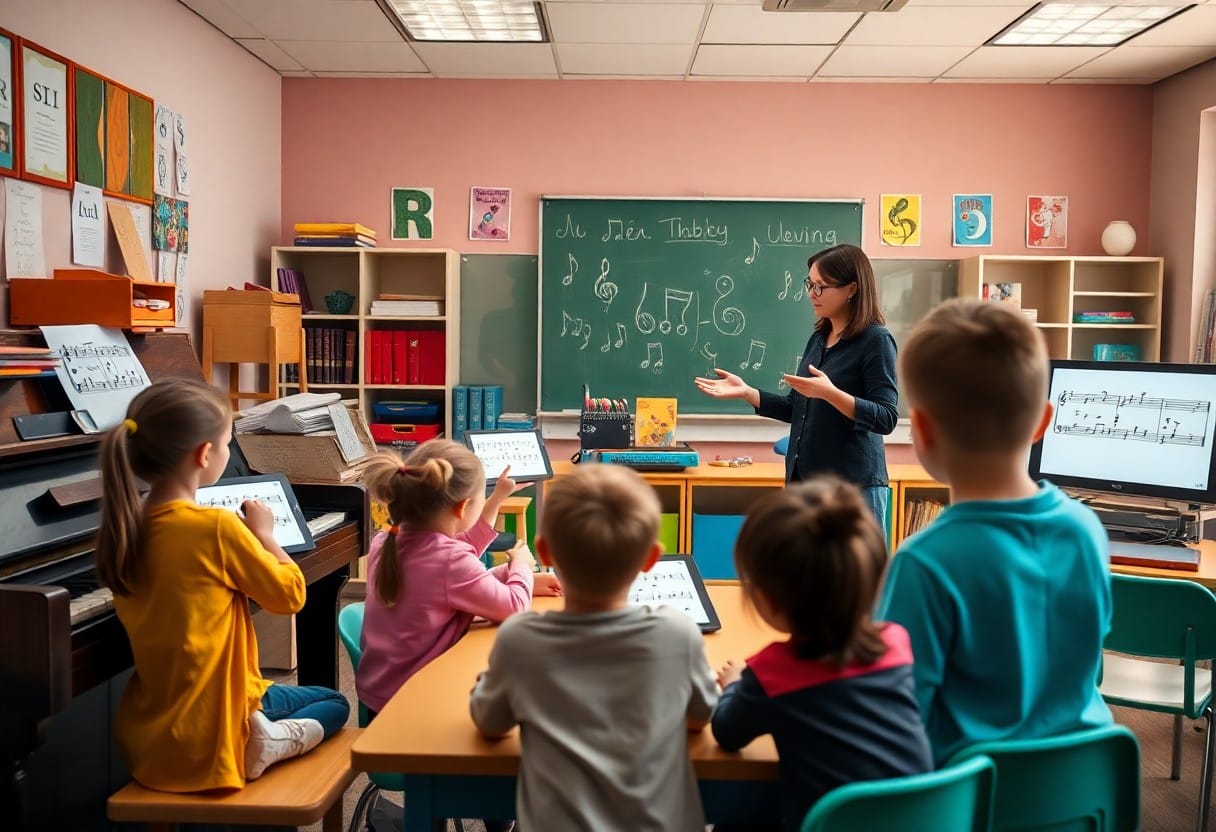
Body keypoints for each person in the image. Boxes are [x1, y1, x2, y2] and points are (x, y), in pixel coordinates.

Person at [876, 299, 1112, 766]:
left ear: (920, 431)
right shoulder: (1087, 531)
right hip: (1080, 795)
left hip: (969, 801)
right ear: (1044, 422)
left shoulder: (924, 562)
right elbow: (1086, 668)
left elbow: (897, 720)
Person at [96, 378, 349, 792]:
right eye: (228, 443)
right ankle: (266, 741)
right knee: (335, 703)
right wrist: (265, 536)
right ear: (205, 454)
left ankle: (263, 731)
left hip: (149, 743)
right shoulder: (214, 527)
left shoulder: (124, 527)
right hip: (215, 733)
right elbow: (290, 595)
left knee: (273, 693)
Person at [470, 464, 718, 832]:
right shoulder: (676, 633)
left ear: (545, 553)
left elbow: (490, 724)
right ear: (651, 558)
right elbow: (699, 718)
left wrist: (484, 687)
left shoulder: (520, 640)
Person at [712, 477, 932, 832]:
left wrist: (735, 682)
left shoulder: (773, 674)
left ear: (767, 600)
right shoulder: (897, 643)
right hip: (919, 820)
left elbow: (727, 732)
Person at [694, 243, 898, 531]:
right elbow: (796, 407)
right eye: (810, 284)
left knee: (853, 576)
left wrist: (831, 394)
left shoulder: (875, 340)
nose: (811, 293)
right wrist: (747, 392)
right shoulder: (819, 338)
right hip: (806, 485)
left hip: (852, 490)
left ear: (852, 289)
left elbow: (886, 417)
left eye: (821, 287)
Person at [356, 439, 561, 716]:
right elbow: (513, 608)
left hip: (378, 691)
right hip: (415, 699)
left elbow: (454, 569)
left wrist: (506, 572)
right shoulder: (450, 561)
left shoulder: (386, 540)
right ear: (462, 508)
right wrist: (522, 565)